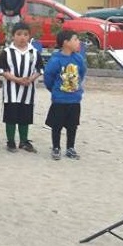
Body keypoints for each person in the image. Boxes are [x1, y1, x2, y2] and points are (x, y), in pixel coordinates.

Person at [0, 22, 44, 154]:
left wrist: (31, 79)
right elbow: (2, 70)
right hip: (11, 92)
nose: (22, 37)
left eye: (25, 34)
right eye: (18, 34)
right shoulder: (7, 52)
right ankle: (11, 141)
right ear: (13, 36)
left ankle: (24, 141)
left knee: (25, 117)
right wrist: (17, 79)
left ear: (29, 36)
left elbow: (40, 69)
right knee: (10, 117)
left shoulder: (34, 52)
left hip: (27, 92)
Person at [44, 30, 86, 160]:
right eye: (75, 39)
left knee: (73, 125)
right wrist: (55, 90)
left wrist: (76, 88)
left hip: (74, 99)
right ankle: (56, 147)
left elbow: (82, 73)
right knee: (56, 125)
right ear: (66, 43)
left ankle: (70, 147)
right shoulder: (56, 60)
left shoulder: (78, 58)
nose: (78, 42)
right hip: (59, 100)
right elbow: (48, 77)